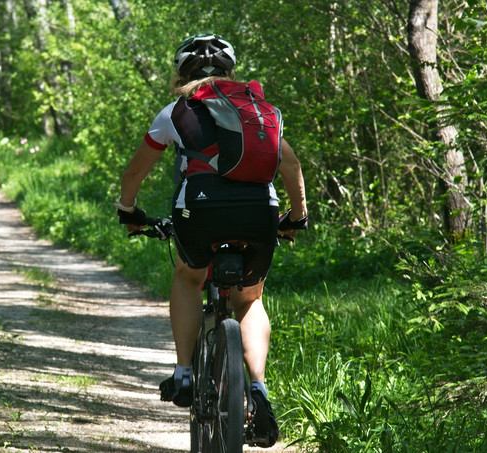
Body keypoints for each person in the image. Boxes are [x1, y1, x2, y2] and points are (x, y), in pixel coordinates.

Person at [115, 34, 308, 448]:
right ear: (229, 72)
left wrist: (128, 212)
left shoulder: (175, 112)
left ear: (181, 74)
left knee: (188, 276)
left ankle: (184, 373)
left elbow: (134, 174)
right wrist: (296, 217)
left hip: (199, 213)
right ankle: (258, 389)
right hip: (259, 212)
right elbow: (290, 164)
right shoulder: (258, 110)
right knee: (250, 300)